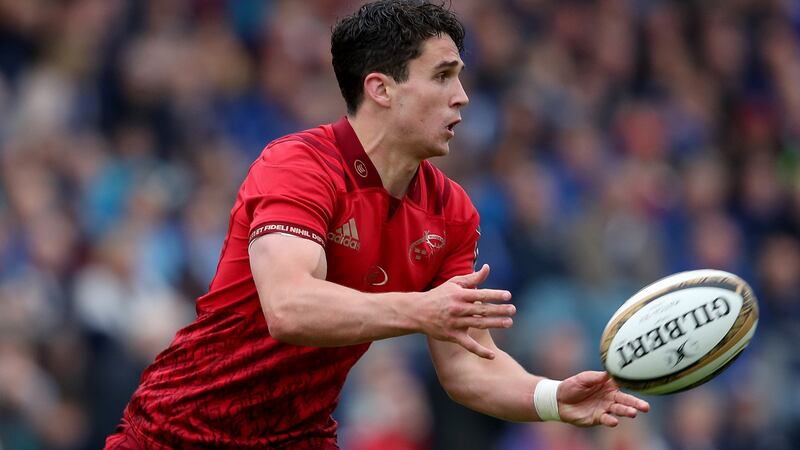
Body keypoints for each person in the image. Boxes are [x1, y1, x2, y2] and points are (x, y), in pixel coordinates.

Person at [105, 1, 649, 448]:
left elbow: (468, 367)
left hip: (299, 438)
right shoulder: (298, 165)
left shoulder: (452, 212)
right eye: (442, 76)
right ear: (381, 89)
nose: (462, 96)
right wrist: (420, 311)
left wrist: (553, 398)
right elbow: (289, 308)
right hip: (178, 432)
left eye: (460, 77)